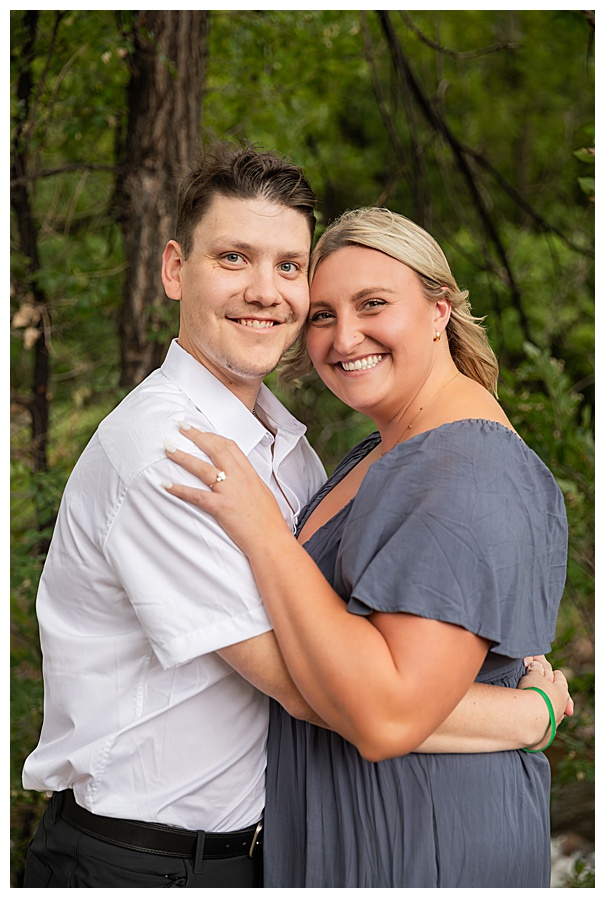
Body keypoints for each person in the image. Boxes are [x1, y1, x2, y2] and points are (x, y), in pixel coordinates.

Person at [22, 145, 568, 888]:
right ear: (176, 270)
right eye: (234, 258)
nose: (264, 290)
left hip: (256, 855)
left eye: (287, 267)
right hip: (146, 860)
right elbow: (315, 687)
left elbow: (362, 653)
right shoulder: (169, 453)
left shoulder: (294, 453)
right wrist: (529, 715)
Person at [162, 206, 570, 887]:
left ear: (440, 309)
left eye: (372, 304)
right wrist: (530, 714)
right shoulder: (382, 453)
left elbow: (384, 714)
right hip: (360, 831)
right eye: (321, 314)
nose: (344, 337)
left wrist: (263, 529)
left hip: (421, 844)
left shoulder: (465, 471)